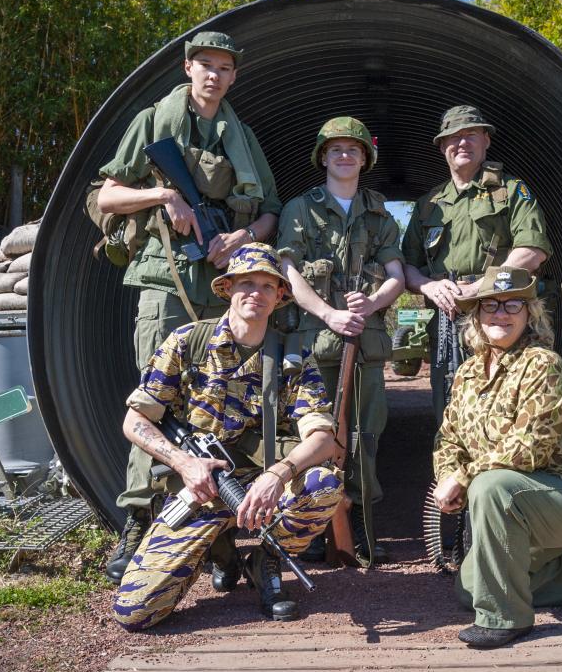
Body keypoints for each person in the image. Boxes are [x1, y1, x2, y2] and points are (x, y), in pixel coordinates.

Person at [96, 31, 283, 583]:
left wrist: (241, 236)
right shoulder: (152, 121)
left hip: (222, 284)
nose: (214, 76)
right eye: (205, 65)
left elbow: (271, 210)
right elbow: (107, 195)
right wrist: (163, 196)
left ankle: (216, 538)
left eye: (225, 68)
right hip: (165, 280)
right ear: (187, 67)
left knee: (217, 404)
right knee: (156, 401)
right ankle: (136, 521)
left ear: (233, 76)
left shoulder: (241, 136)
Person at [111, 243, 342, 630]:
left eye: (268, 286)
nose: (256, 293)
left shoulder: (292, 355)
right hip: (197, 488)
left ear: (280, 295)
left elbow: (321, 436)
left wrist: (277, 475)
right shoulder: (187, 343)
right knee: (136, 612)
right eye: (247, 283)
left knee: (324, 484)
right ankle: (215, 553)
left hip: (257, 484)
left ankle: (266, 562)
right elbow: (135, 420)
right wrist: (185, 463)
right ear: (228, 289)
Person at [432, 266, 562, 649]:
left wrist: (464, 479)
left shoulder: (542, 365)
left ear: (529, 314)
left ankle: (506, 619)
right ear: (477, 316)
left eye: (512, 305)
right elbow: (448, 439)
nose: (501, 314)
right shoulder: (467, 373)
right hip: (518, 502)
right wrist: (448, 473)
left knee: (490, 487)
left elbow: (528, 449)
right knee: (468, 590)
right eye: (490, 306)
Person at [278, 117, 405, 564]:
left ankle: (362, 530)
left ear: (364, 158)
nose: (345, 156)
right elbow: (288, 272)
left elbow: (396, 276)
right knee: (312, 437)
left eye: (353, 149)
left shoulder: (379, 213)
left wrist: (368, 306)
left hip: (364, 346)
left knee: (364, 437)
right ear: (323, 157)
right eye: (336, 150)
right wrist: (331, 313)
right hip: (316, 344)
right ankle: (312, 528)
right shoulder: (300, 209)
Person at [402, 105, 552, 422]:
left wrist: (483, 288)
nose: (462, 143)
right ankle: (452, 469)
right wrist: (429, 285)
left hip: (500, 312)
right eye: (453, 137)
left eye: (471, 134)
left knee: (504, 397)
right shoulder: (428, 205)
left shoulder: (512, 191)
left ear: (486, 141)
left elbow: (533, 250)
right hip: (447, 315)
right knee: (449, 399)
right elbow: (405, 267)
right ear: (442, 147)